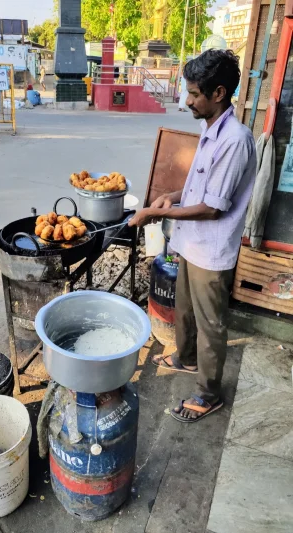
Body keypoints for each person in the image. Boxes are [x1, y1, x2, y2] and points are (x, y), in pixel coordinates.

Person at [128, 49, 256, 423]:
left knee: (210, 323)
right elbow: (199, 186)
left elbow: (213, 207)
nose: (187, 101)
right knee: (183, 305)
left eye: (194, 94)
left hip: (212, 248)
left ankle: (208, 392)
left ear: (218, 93)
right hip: (189, 241)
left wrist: (151, 213)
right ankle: (184, 357)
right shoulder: (209, 128)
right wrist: (170, 197)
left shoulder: (235, 140)